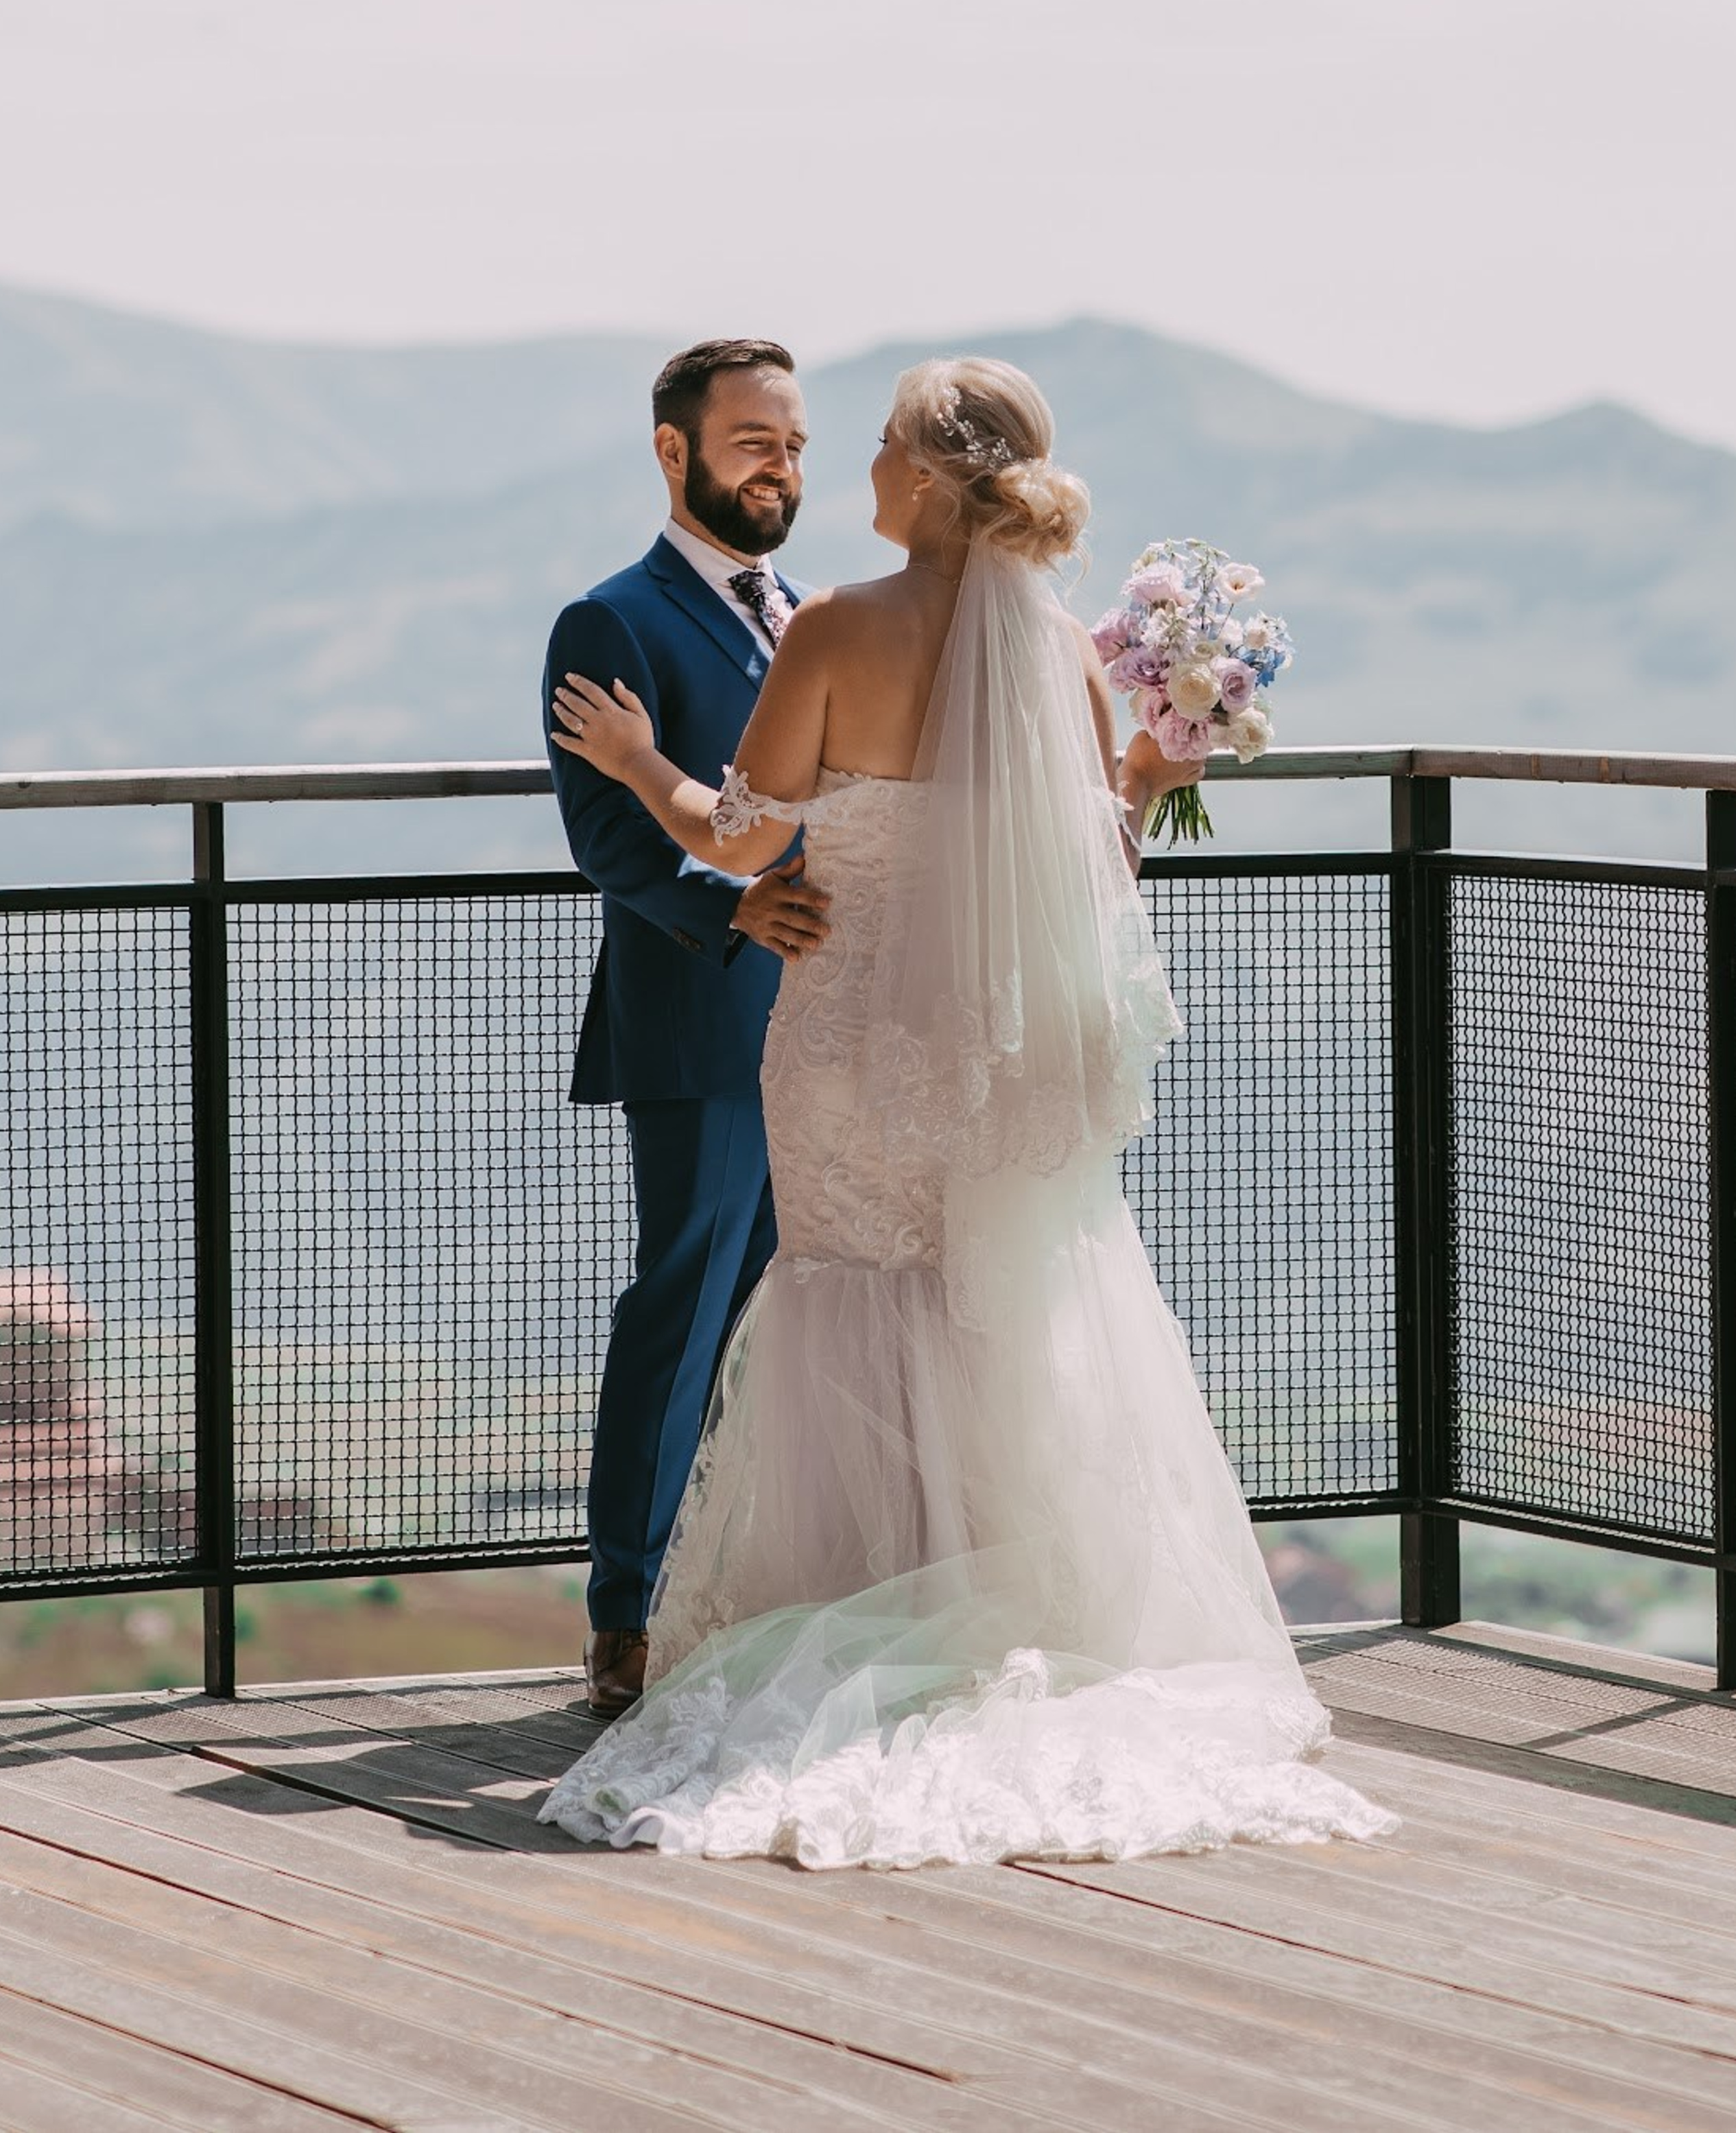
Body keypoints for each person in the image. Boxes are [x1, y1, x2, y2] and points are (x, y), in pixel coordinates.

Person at [541, 354, 1393, 1865]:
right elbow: (1097, 866)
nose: (850, 470)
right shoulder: (1061, 646)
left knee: (843, 1303)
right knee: (981, 1301)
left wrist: (636, 763)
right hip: (992, 1059)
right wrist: (1151, 764)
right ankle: (992, 1590)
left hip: (848, 1045)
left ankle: (853, 1600)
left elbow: (743, 838)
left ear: (928, 482)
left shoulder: (832, 628)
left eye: (869, 448)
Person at [543, 337, 833, 1721]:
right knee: (681, 1309)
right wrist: (732, 912)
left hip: (832, 1026)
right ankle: (624, 1616)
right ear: (675, 453)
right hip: (700, 1022)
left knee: (795, 1319)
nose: (781, 468)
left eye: (792, 444)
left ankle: (754, 1594)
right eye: (753, 444)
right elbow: (608, 840)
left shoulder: (811, 614)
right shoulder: (609, 624)